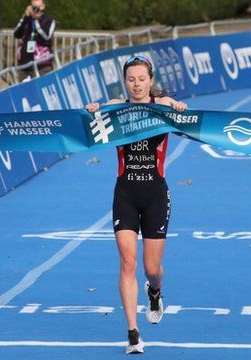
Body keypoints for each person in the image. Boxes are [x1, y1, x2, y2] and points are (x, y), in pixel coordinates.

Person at [85, 56, 187, 355]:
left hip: (155, 194)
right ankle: (132, 332)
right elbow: (95, 114)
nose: (137, 84)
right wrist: (93, 109)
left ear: (150, 80)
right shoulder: (116, 107)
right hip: (125, 194)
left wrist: (180, 108)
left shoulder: (163, 105)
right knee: (128, 263)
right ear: (125, 81)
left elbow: (189, 118)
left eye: (142, 79)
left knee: (151, 268)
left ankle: (154, 292)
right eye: (131, 79)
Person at [14, 0, 56, 81]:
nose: (35, 10)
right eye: (33, 7)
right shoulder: (27, 19)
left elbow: (46, 36)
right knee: (24, 92)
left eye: (37, 7)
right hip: (25, 65)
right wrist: (26, 17)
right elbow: (16, 34)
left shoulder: (49, 20)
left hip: (42, 65)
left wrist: (37, 20)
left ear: (43, 6)